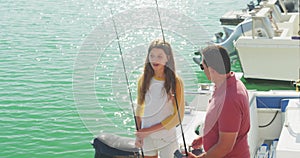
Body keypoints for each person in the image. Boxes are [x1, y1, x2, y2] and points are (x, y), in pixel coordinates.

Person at [188, 45, 250, 158]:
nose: (202, 70)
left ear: (211, 69)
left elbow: (225, 146)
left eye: (202, 67)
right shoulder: (227, 83)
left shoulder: (229, 99)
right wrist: (204, 138)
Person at [134, 39, 185, 158]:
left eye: (159, 56)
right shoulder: (143, 79)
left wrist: (149, 130)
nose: (155, 60)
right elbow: (139, 109)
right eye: (151, 56)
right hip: (146, 137)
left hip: (167, 137)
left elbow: (178, 117)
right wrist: (139, 134)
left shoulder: (176, 82)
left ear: (168, 58)